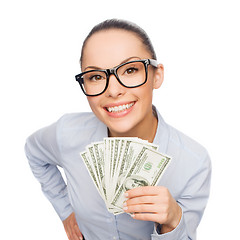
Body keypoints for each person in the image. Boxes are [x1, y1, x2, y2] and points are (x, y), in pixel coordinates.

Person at [25, 19, 211, 240]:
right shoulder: (66, 133)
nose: (113, 90)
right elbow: (34, 152)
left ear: (157, 75)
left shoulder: (194, 163)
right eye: (95, 76)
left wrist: (172, 222)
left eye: (130, 70)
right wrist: (65, 210)